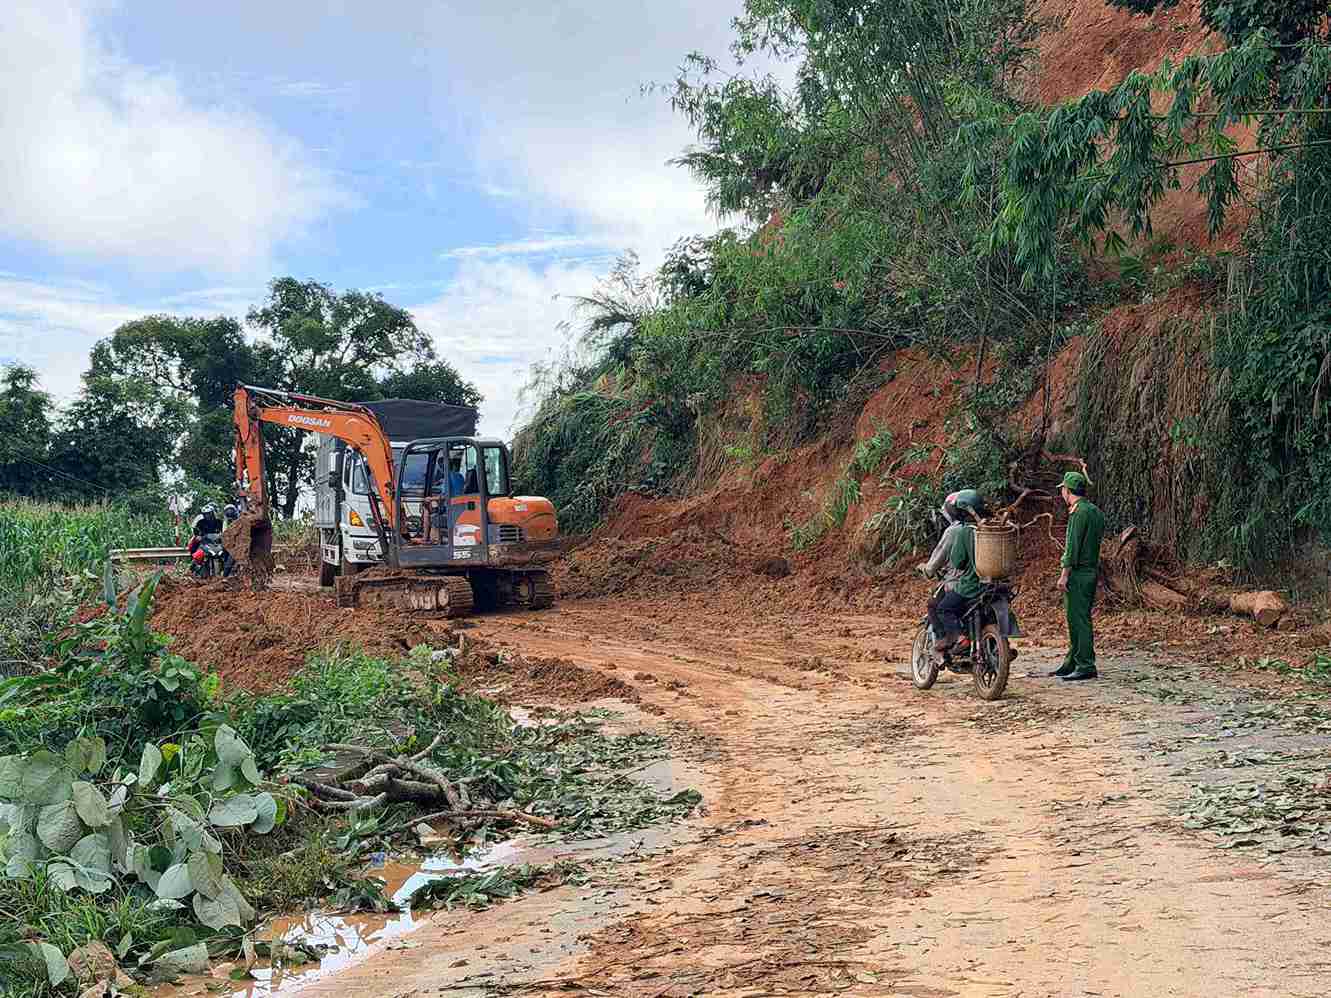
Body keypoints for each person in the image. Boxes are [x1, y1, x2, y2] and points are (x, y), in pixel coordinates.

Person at [1050, 471, 1105, 681]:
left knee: (1078, 620)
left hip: (1079, 573)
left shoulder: (1078, 512)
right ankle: (1071, 662)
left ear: (1067, 490)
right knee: (1079, 618)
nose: (1062, 493)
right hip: (1091, 569)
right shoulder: (1095, 511)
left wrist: (1064, 574)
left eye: (1062, 489)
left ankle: (1085, 664)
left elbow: (1072, 547)